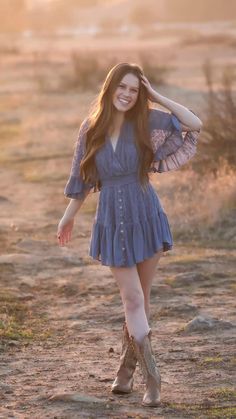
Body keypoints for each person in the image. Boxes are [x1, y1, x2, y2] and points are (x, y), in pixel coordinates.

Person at [57, 62, 202, 407]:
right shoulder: (90, 129)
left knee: (143, 300)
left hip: (147, 215)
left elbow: (194, 124)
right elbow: (82, 181)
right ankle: (154, 380)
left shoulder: (148, 122)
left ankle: (125, 370)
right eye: (121, 87)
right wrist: (67, 219)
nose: (126, 94)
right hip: (112, 220)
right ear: (110, 89)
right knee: (132, 299)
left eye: (134, 90)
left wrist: (155, 95)